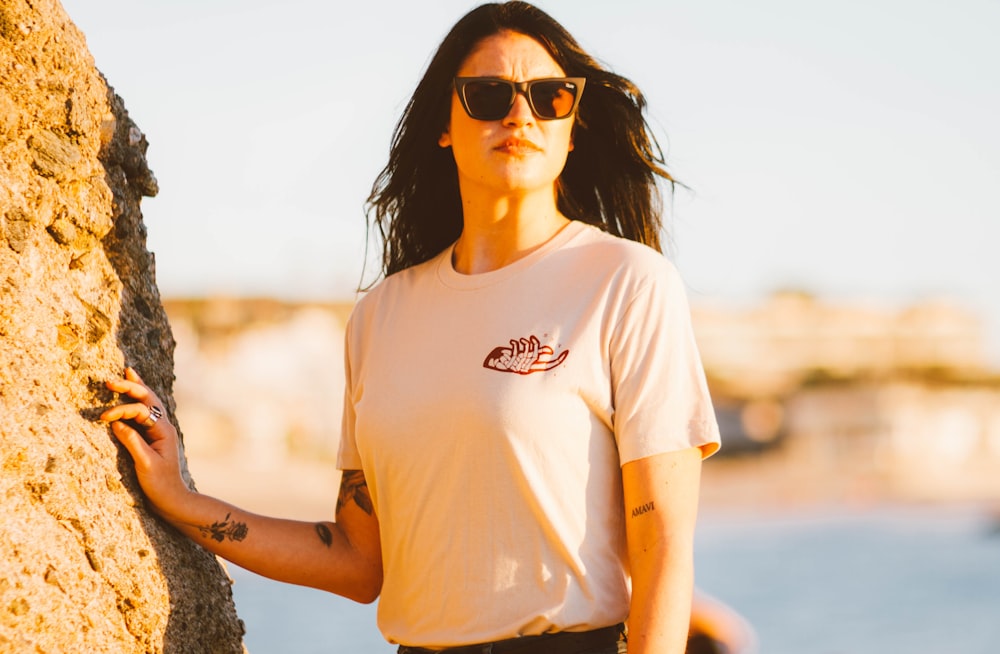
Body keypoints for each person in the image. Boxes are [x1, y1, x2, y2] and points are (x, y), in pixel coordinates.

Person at [102, 3, 721, 653]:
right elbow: (355, 560)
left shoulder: (628, 283)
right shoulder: (381, 317)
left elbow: (663, 547)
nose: (520, 116)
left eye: (549, 96)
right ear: (443, 127)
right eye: (487, 95)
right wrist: (180, 498)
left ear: (574, 124)